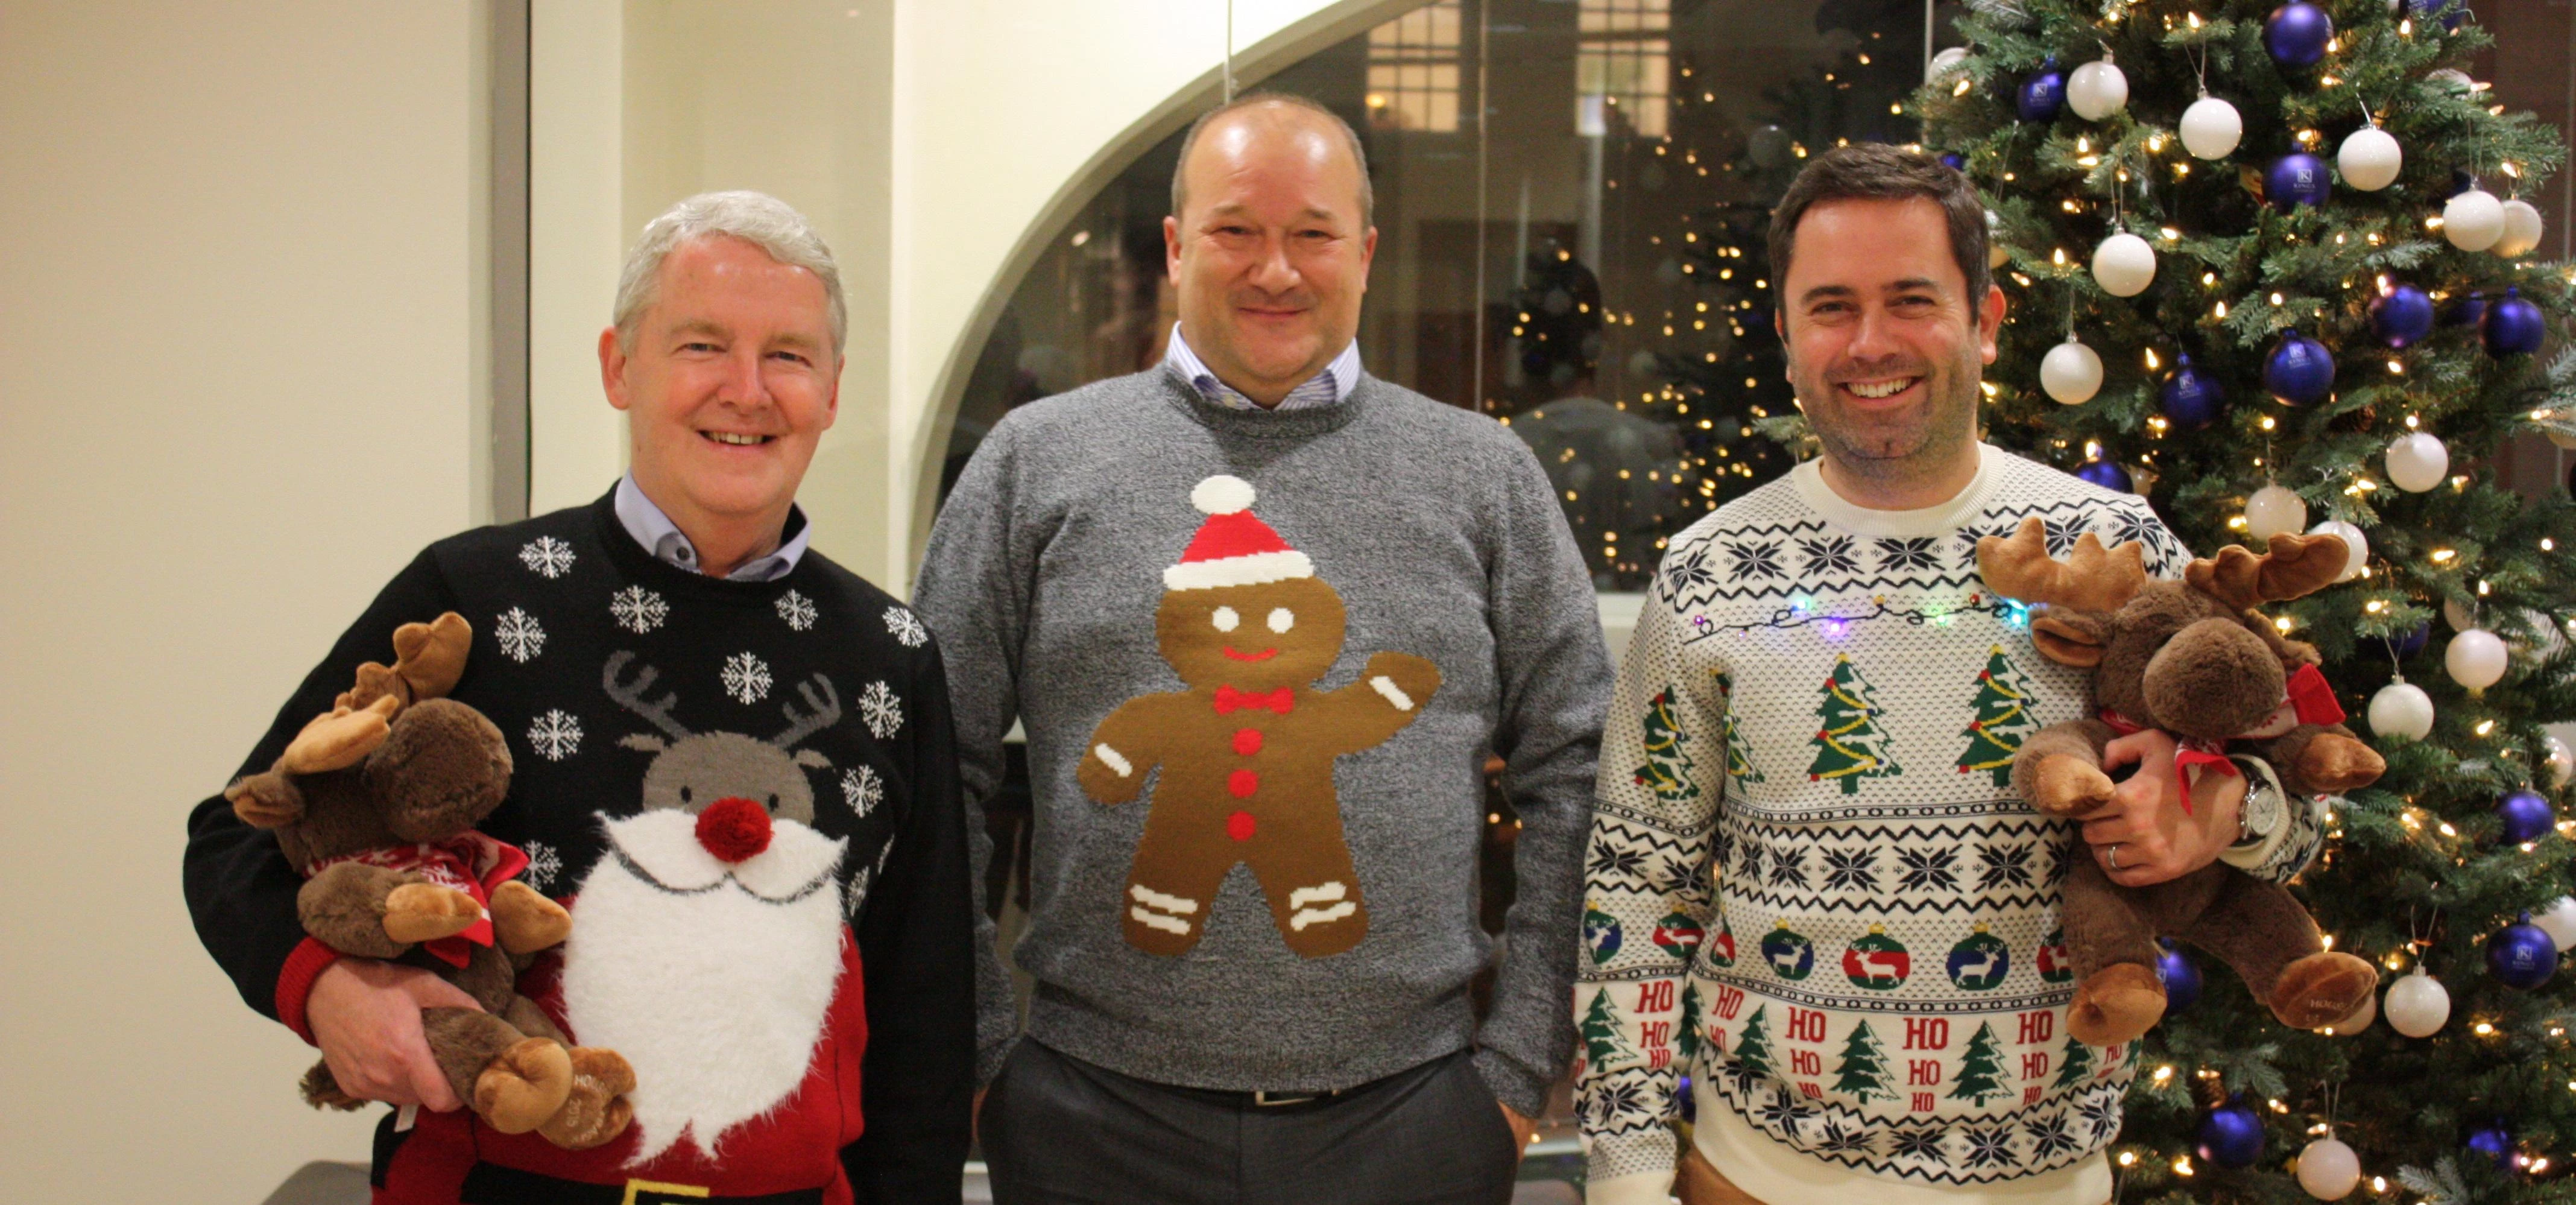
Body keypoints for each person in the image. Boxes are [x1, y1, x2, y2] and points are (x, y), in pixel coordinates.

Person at [183, 191, 974, 1204]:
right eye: (700, 345)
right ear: (618, 367)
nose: (746, 389)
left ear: (831, 387)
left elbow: (926, 1007)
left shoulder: (890, 654)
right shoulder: (470, 599)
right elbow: (237, 836)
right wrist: (327, 984)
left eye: (788, 354)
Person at [1574, 145, 2320, 1205]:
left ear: (1987, 317)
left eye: (1911, 299)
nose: (1870, 343)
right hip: (1753, 1178)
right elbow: (1638, 889)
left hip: (2048, 1181)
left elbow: (2303, 834)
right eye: (1831, 306)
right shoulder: (1707, 574)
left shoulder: (2117, 551)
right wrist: (1632, 1173)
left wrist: (2229, 813)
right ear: (1786, 331)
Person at [915, 93, 1611, 1204]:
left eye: (1313, 234)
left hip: (1411, 1120)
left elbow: (1577, 764)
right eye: (1237, 230)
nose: (1275, 269)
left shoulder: (1481, 476)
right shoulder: (1036, 463)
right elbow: (929, 764)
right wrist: (986, 1057)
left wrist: (1520, 1066)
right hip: (1093, 1121)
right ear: (1178, 245)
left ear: (1366, 253)